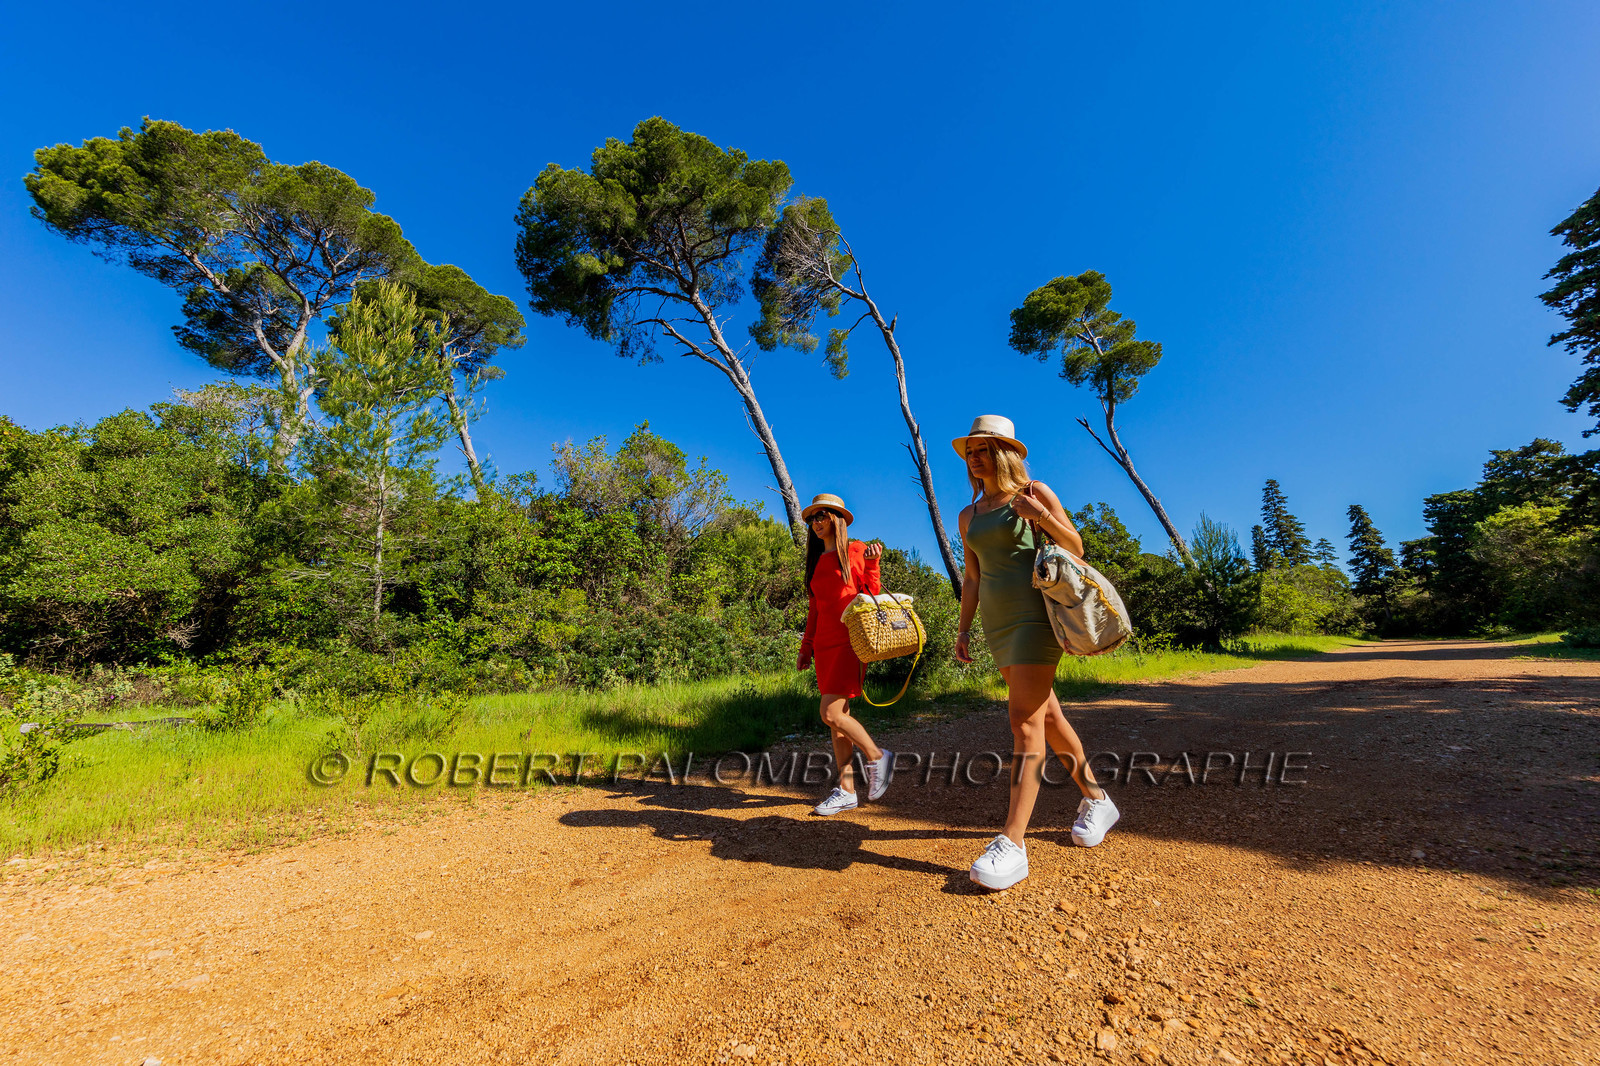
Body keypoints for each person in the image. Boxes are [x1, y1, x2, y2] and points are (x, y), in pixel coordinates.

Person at [952, 415, 1119, 889]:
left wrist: (1039, 517)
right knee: (1046, 717)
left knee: (1023, 721)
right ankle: (1097, 799)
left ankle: (1014, 843)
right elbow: (973, 577)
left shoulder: (1035, 492)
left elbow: (1076, 547)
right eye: (970, 451)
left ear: (1004, 453)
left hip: (1035, 619)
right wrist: (963, 631)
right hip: (997, 623)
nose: (974, 457)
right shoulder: (969, 515)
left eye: (983, 449)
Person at [797, 493, 895, 816]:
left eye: (823, 516)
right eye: (813, 518)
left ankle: (877, 756)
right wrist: (806, 648)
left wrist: (873, 564)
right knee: (837, 723)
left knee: (830, 713)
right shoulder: (816, 563)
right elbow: (815, 610)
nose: (817, 522)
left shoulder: (855, 551)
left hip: (848, 642)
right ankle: (847, 790)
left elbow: (870, 595)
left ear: (837, 519)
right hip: (823, 648)